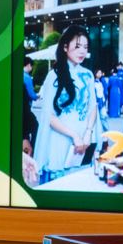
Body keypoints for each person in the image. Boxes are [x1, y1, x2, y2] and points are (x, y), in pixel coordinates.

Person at [33, 25, 100, 181]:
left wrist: (88, 132)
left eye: (85, 47)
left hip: (84, 140)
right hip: (60, 139)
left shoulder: (88, 75)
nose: (82, 51)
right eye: (77, 46)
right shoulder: (53, 76)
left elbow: (93, 106)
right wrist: (74, 135)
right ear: (65, 47)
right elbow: (49, 116)